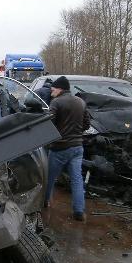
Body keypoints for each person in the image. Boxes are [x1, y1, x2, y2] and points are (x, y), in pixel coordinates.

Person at [44, 76, 90, 221]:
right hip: (77, 147)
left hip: (59, 148)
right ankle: (79, 211)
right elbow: (87, 124)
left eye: (53, 89)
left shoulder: (56, 102)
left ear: (60, 89)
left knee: (49, 178)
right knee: (77, 179)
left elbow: (48, 123)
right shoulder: (81, 102)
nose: (51, 91)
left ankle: (43, 203)